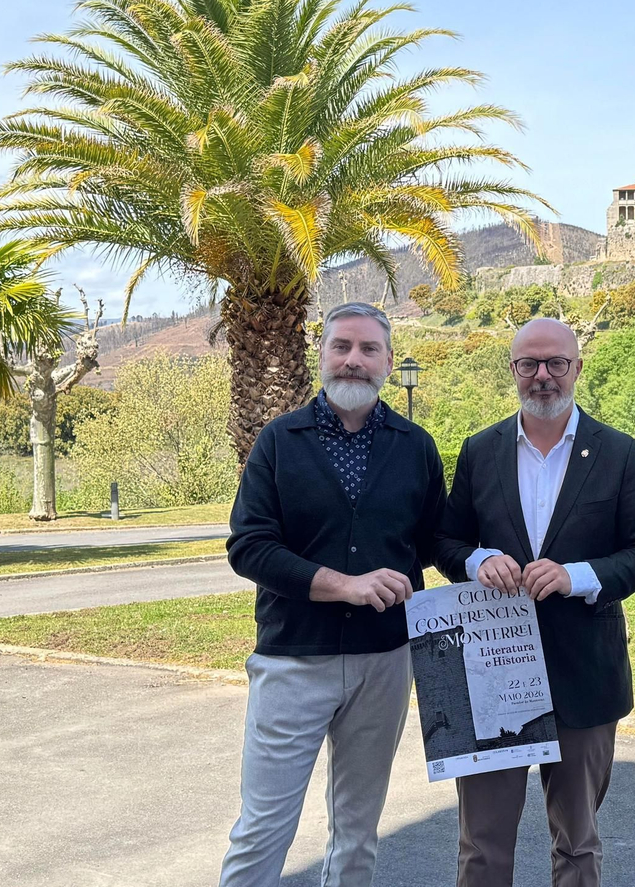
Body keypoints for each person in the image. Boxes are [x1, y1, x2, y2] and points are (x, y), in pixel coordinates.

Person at [219, 302, 445, 887]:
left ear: (389, 363)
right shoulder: (279, 441)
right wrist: (343, 585)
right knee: (263, 826)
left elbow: (432, 542)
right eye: (341, 346)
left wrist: (489, 564)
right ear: (322, 355)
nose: (354, 360)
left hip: (385, 663)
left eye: (369, 349)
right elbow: (249, 547)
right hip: (293, 660)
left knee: (358, 828)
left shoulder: (416, 446)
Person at [436, 318, 635, 887]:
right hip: (492, 672)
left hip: (585, 673)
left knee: (579, 844)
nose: (543, 376)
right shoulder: (479, 450)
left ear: (577, 368)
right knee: (482, 847)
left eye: (555, 363)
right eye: (529, 364)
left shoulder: (617, 452)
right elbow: (445, 540)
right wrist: (475, 561)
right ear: (512, 370)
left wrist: (577, 575)